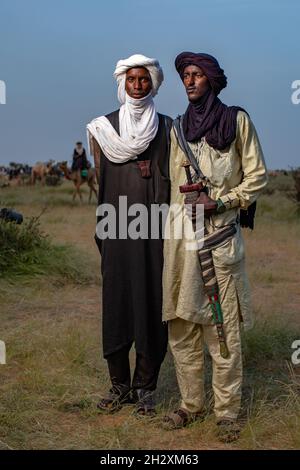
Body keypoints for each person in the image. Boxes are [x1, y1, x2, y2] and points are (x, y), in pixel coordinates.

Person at [162, 52, 268, 441]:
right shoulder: (177, 129)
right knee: (182, 326)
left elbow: (257, 178)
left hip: (221, 242)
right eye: (185, 76)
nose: (189, 82)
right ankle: (191, 405)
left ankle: (226, 412)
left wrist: (221, 202)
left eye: (197, 75)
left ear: (212, 80)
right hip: (180, 245)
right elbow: (174, 191)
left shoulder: (237, 121)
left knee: (223, 330)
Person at [87, 54, 172, 416]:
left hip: (154, 230)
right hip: (116, 229)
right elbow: (98, 180)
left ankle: (146, 389)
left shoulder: (168, 128)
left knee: (153, 307)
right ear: (122, 83)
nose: (138, 86)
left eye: (144, 80)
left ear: (153, 83)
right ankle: (119, 385)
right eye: (132, 80)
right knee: (117, 305)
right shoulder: (100, 129)